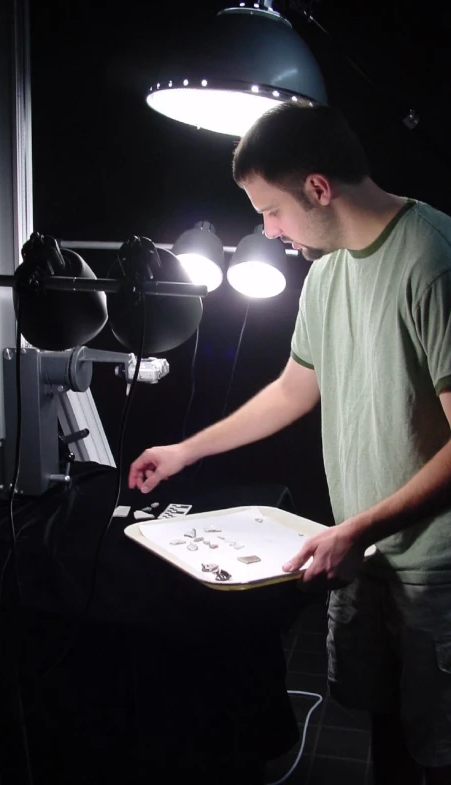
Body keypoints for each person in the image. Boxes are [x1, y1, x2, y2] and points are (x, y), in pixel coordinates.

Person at [128, 101, 451, 785]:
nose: (266, 230)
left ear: (317, 187)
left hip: (435, 568)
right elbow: (291, 389)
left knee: (439, 749)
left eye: (270, 210)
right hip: (367, 555)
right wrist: (188, 450)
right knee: (386, 734)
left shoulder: (432, 259)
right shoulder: (328, 273)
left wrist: (358, 526)